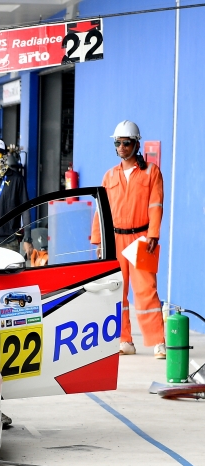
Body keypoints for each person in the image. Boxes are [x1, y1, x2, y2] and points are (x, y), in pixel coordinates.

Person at [91, 120, 165, 358]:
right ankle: (124, 340)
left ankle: (158, 341)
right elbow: (100, 211)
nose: (122, 147)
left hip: (142, 239)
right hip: (115, 240)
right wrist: (99, 240)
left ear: (136, 144)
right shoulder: (109, 176)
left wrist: (153, 233)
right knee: (117, 291)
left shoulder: (151, 172)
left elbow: (156, 205)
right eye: (118, 143)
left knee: (147, 290)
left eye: (126, 143)